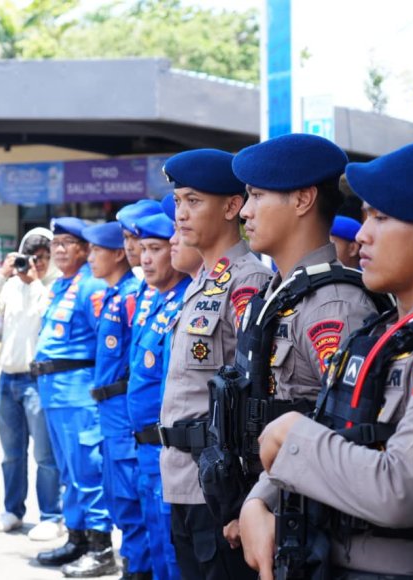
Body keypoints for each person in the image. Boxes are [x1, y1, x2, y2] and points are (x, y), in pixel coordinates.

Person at [240, 141, 413, 579]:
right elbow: (332, 423)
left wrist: (291, 434)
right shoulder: (379, 334)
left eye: (381, 217)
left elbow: (402, 490)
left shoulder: (349, 310)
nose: (361, 234)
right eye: (365, 216)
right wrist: (258, 500)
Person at [198, 133, 383, 546]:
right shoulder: (276, 294)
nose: (245, 211)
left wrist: (262, 502)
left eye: (258, 196)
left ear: (302, 201)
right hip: (260, 510)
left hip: (296, 522)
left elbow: (338, 429)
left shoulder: (332, 305)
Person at [158, 149, 272, 579]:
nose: (181, 214)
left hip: (221, 490)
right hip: (183, 481)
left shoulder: (248, 281)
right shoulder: (202, 282)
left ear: (231, 206)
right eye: (178, 201)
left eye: (194, 201)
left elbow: (254, 395)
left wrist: (241, 501)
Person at [32, 218, 113, 571]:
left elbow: (106, 343)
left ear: (84, 249)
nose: (60, 250)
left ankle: (101, 549)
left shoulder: (90, 286)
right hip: (54, 394)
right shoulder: (62, 285)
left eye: (68, 243)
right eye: (56, 243)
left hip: (77, 393)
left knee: (87, 469)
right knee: (68, 471)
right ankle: (77, 539)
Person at [0, 228, 65, 541]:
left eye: (43, 258)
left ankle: (52, 515)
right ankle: (13, 510)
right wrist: (1, 274)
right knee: (11, 454)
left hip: (37, 380)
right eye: (31, 257)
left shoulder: (55, 286)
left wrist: (36, 283)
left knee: (44, 455)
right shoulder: (13, 284)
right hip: (7, 378)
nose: (36, 264)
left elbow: (46, 316)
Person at [74, 221, 147, 579]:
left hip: (122, 407)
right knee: (115, 492)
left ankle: (137, 568)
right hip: (107, 408)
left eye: (95, 251)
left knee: (130, 496)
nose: (89, 258)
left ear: (118, 254)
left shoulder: (133, 294)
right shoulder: (115, 294)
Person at [125, 210, 192, 580]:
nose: (145, 258)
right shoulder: (159, 302)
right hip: (148, 449)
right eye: (142, 249)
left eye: (155, 248)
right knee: (157, 548)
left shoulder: (184, 301)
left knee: (172, 554)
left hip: (170, 450)